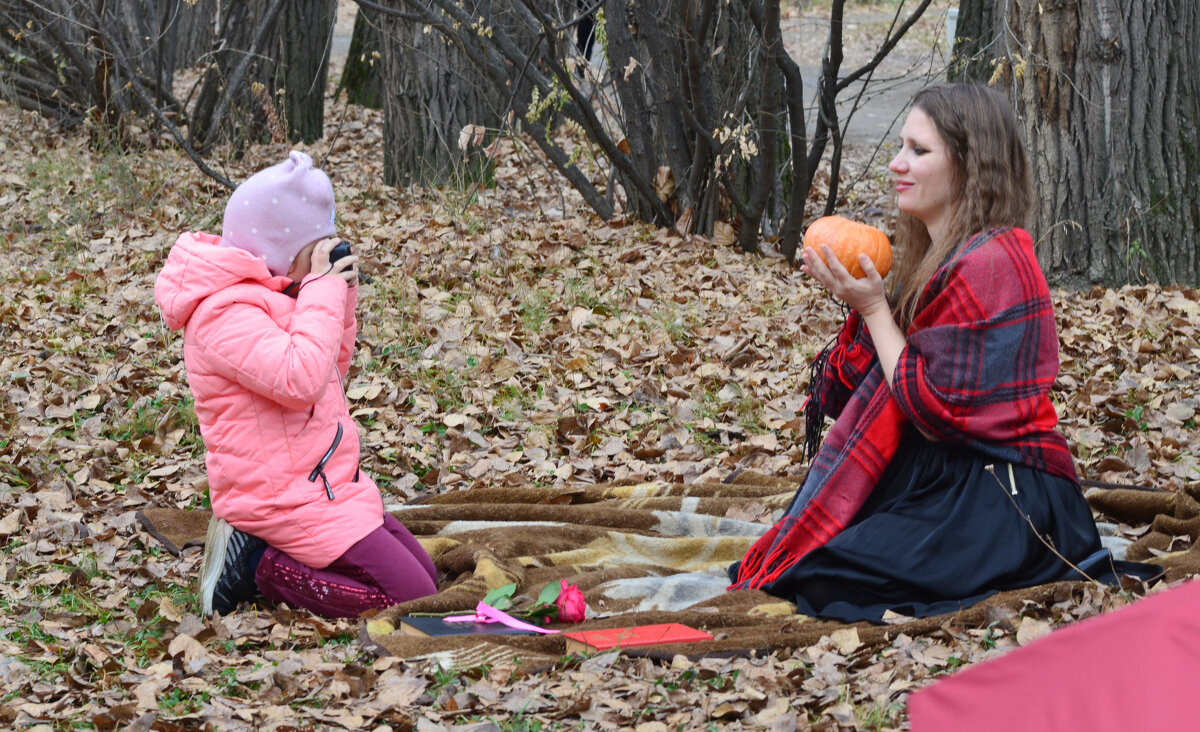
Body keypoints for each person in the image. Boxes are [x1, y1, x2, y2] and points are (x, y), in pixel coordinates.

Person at [728, 84, 1158, 622]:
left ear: (969, 165)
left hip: (1008, 492)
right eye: (901, 147)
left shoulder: (993, 264)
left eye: (918, 151)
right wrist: (868, 306)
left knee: (824, 580)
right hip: (944, 476)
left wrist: (877, 312)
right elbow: (848, 394)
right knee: (806, 564)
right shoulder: (932, 258)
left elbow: (934, 413)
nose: (896, 164)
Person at [155, 151, 438, 618]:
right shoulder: (221, 315)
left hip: (323, 485)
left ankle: (268, 557)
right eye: (320, 245)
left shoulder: (280, 293)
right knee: (409, 601)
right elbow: (300, 379)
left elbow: (330, 375)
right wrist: (322, 290)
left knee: (425, 576)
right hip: (278, 498)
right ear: (281, 250)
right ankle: (254, 564)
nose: (329, 253)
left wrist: (338, 297)